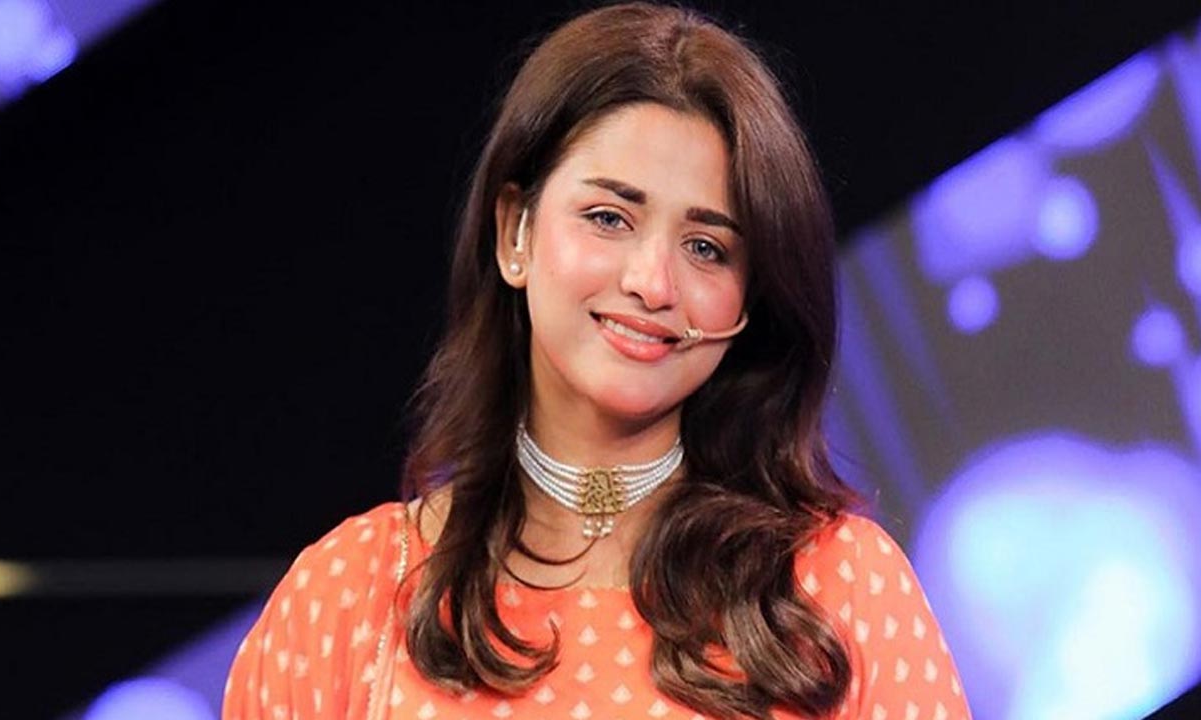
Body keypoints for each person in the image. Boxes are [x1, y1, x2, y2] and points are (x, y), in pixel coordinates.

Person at [223, 3, 971, 719]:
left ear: (750, 296)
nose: (652, 283)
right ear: (514, 233)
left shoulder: (837, 588)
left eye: (706, 247)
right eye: (609, 218)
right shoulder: (349, 594)